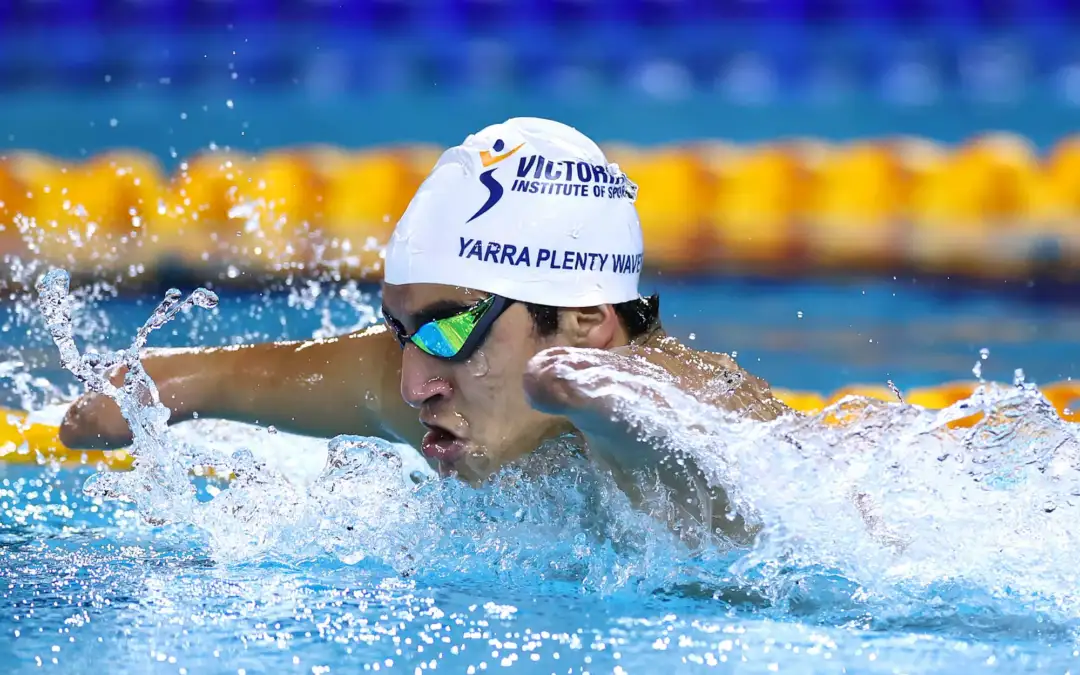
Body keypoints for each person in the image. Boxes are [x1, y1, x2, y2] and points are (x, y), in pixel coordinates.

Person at [59, 117, 794, 544]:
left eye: (445, 329)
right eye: (398, 330)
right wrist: (148, 394)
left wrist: (606, 410)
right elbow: (198, 379)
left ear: (583, 325)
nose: (413, 383)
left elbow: (691, 479)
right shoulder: (472, 392)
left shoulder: (714, 429)